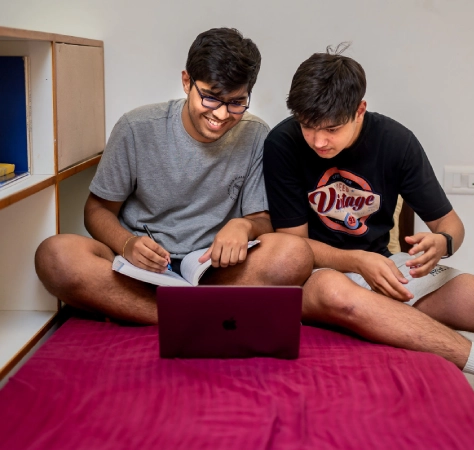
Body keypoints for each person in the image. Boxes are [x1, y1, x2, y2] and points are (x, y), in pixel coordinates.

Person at [263, 44, 474, 447]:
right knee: (334, 287)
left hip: (383, 270)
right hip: (316, 277)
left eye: (331, 128)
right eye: (308, 126)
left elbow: (451, 225)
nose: (318, 140)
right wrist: (357, 261)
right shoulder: (282, 142)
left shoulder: (396, 141)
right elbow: (293, 247)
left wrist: (442, 242)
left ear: (360, 110)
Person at [35, 28, 313, 325]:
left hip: (214, 271)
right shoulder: (136, 127)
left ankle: (158, 311)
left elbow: (262, 220)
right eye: (210, 98)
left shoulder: (256, 134)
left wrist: (243, 226)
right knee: (54, 256)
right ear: (186, 82)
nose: (221, 115)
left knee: (295, 255)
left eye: (236, 103)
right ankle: (188, 317)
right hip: (141, 268)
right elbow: (97, 210)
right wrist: (128, 244)